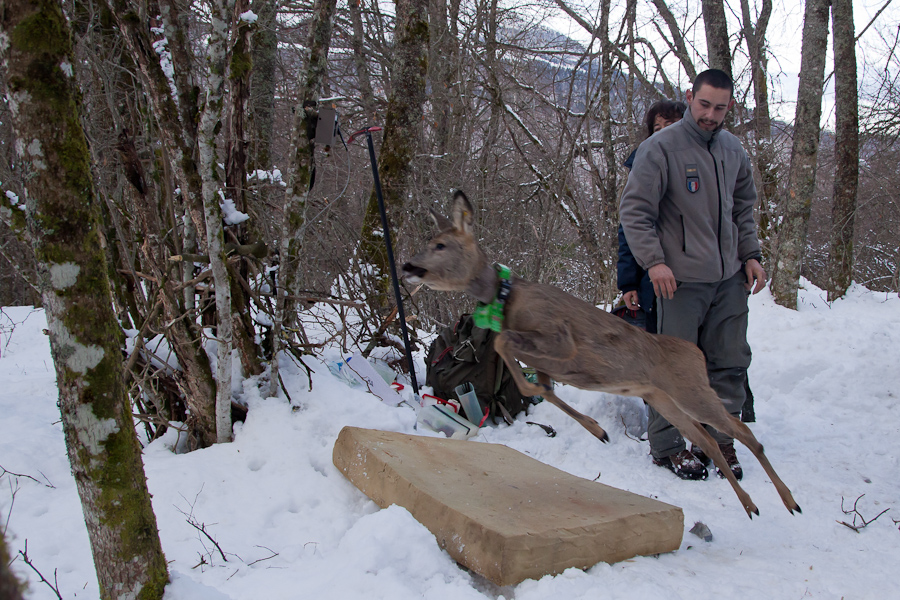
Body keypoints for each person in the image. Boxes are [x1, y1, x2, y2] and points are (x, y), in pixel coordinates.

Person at [620, 69, 765, 482]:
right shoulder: (661, 148)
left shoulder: (733, 149)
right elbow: (635, 212)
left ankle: (722, 439)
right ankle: (667, 446)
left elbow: (743, 209)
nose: (710, 114)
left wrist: (750, 254)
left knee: (729, 363)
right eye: (704, 104)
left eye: (720, 107)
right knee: (673, 370)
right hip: (678, 283)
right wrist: (654, 262)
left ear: (730, 106)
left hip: (729, 280)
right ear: (690, 96)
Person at [617, 100, 687, 334]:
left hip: (695, 280)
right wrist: (628, 284)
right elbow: (629, 228)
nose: (664, 133)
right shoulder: (641, 166)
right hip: (653, 282)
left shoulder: (700, 164)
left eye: (671, 124)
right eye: (657, 129)